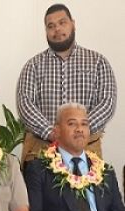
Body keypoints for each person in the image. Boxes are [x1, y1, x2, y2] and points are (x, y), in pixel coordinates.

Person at [17, 3, 117, 164]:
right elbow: (25, 104)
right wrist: (51, 132)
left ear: (73, 24)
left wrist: (78, 131)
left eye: (62, 23)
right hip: (42, 149)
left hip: (86, 150)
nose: (57, 29)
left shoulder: (98, 62)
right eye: (51, 26)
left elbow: (107, 103)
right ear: (46, 31)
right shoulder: (33, 66)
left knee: (87, 190)